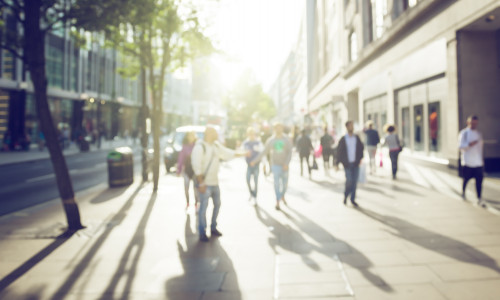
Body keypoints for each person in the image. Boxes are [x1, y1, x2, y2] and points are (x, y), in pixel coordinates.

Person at [191, 126, 247, 242]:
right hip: (204, 184)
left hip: (214, 182)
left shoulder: (216, 146)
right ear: (208, 133)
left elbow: (227, 153)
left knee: (217, 204)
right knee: (203, 208)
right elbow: (196, 166)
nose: (217, 134)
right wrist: (201, 183)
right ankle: (202, 232)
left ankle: (213, 227)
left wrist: (243, 154)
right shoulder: (200, 147)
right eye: (215, 132)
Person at [250, 122, 293, 210]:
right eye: (277, 128)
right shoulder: (271, 140)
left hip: (284, 166)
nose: (278, 129)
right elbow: (264, 152)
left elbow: (290, 152)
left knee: (285, 185)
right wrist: (254, 161)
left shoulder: (286, 139)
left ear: (282, 129)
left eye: (280, 127)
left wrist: (286, 163)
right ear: (274, 129)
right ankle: (277, 201)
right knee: (276, 184)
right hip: (275, 166)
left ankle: (282, 195)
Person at [335, 121, 364, 206]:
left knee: (354, 182)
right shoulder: (343, 139)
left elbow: (361, 149)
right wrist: (337, 163)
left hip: (355, 163)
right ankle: (346, 195)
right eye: (350, 126)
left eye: (352, 126)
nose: (352, 127)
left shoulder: (356, 138)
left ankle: (352, 199)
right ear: (347, 127)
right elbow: (339, 151)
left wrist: (360, 159)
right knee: (349, 181)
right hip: (347, 164)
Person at [458, 115, 484, 207]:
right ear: (468, 122)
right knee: (466, 180)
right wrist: (470, 144)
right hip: (468, 162)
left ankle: (479, 198)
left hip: (478, 163)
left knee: (479, 182)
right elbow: (461, 147)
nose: (474, 125)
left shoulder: (478, 134)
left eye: (475, 123)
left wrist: (481, 161)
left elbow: (480, 149)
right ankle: (463, 193)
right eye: (472, 123)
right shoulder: (464, 133)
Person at [176, 131, 199, 210]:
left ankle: (196, 204)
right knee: (186, 188)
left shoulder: (197, 146)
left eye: (192, 135)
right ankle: (188, 203)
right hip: (186, 170)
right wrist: (178, 170)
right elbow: (181, 159)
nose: (191, 137)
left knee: (196, 189)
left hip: (195, 171)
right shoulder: (185, 146)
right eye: (189, 135)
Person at [242, 127, 264, 203]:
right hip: (249, 165)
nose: (251, 135)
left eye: (253, 134)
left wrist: (255, 161)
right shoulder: (245, 143)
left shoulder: (258, 143)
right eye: (250, 134)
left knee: (255, 181)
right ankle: (251, 193)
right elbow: (242, 152)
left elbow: (261, 154)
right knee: (248, 180)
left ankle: (255, 196)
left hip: (256, 165)